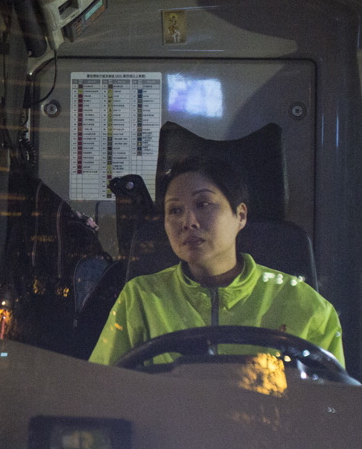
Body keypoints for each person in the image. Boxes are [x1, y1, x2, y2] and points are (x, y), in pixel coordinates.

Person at [89, 156, 344, 366]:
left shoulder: (307, 308)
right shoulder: (140, 298)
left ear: (240, 216)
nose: (188, 222)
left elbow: (331, 410)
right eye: (174, 210)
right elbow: (102, 393)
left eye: (203, 204)